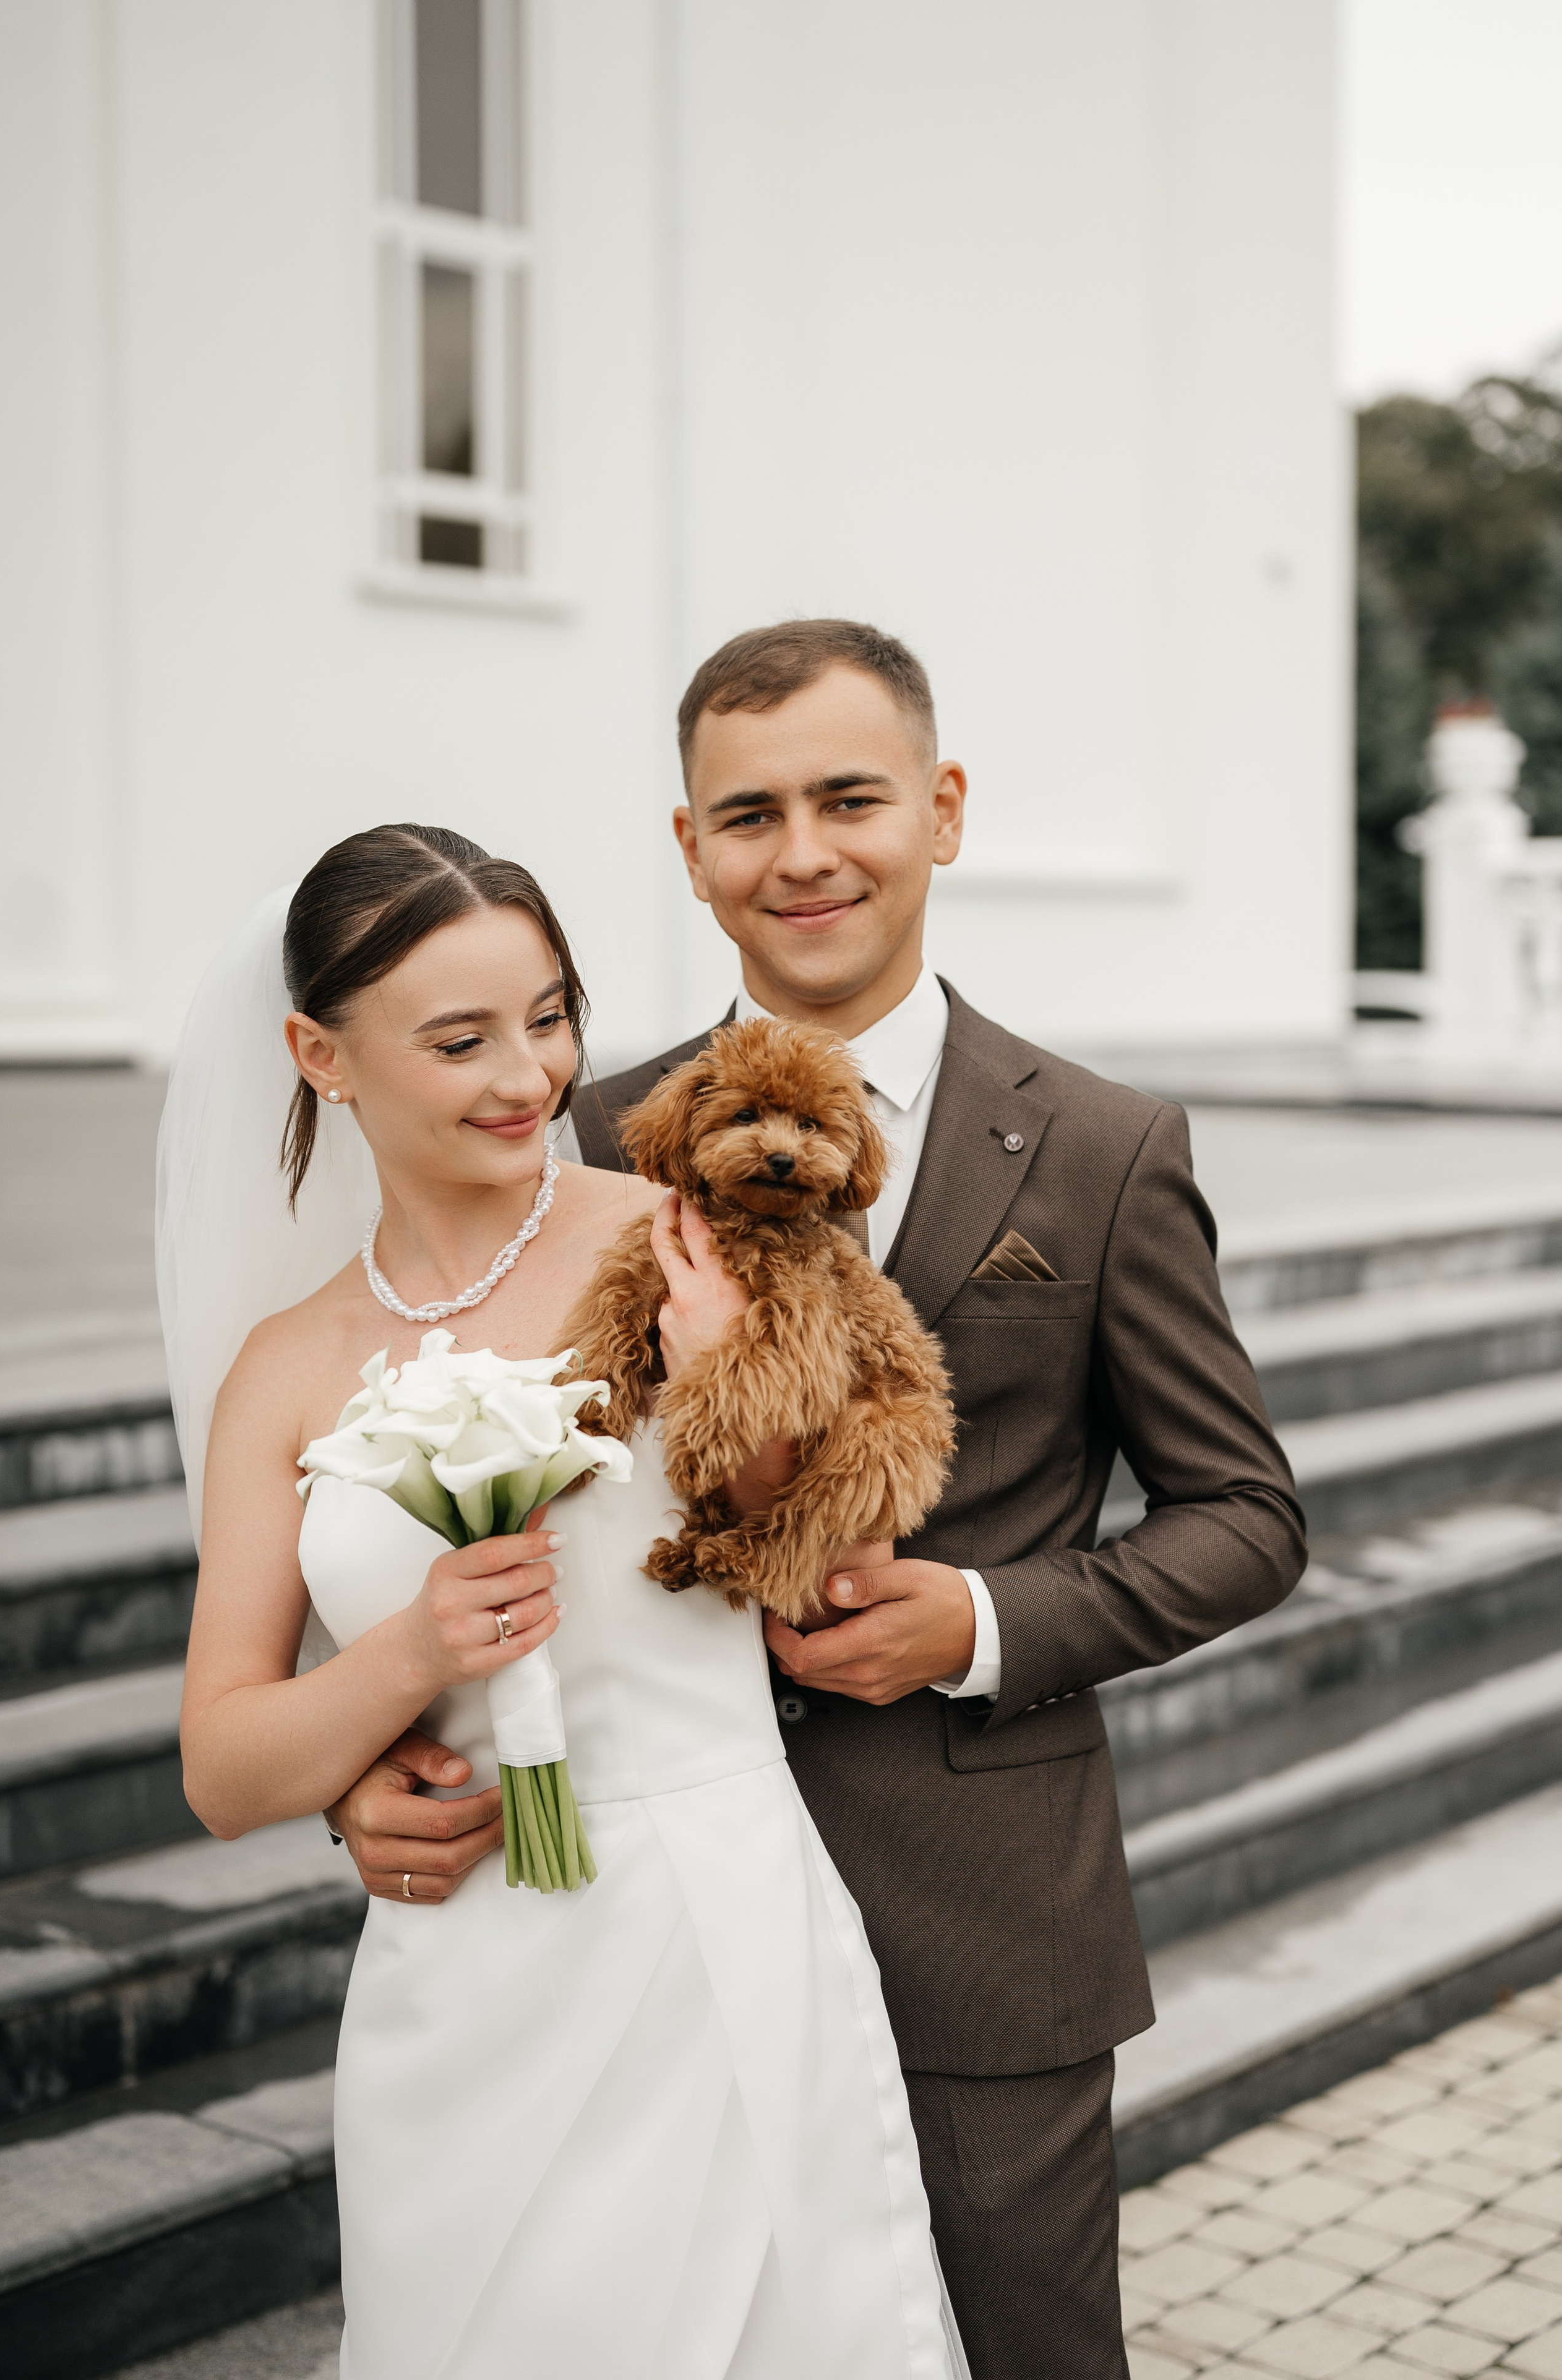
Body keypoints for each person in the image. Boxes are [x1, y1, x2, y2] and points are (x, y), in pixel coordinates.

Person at [329, 623, 1308, 2376]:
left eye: (851, 798)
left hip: (979, 1906)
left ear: (940, 810)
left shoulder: (1102, 1146)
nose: (803, 854)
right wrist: (370, 1773)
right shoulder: (585, 1135)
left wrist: (986, 1619)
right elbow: (452, 1469)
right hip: (634, 1926)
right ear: (688, 847)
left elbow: (1246, 1514)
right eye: (749, 811)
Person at [164, 824, 967, 2380]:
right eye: (460, 1039)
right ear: (318, 1054)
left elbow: (817, 1542)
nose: (528, 1076)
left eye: (549, 1016)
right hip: (459, 1972)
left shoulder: (691, 1235)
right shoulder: (284, 1364)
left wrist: (744, 1380)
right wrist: (404, 1662)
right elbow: (222, 1766)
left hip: (712, 1922)